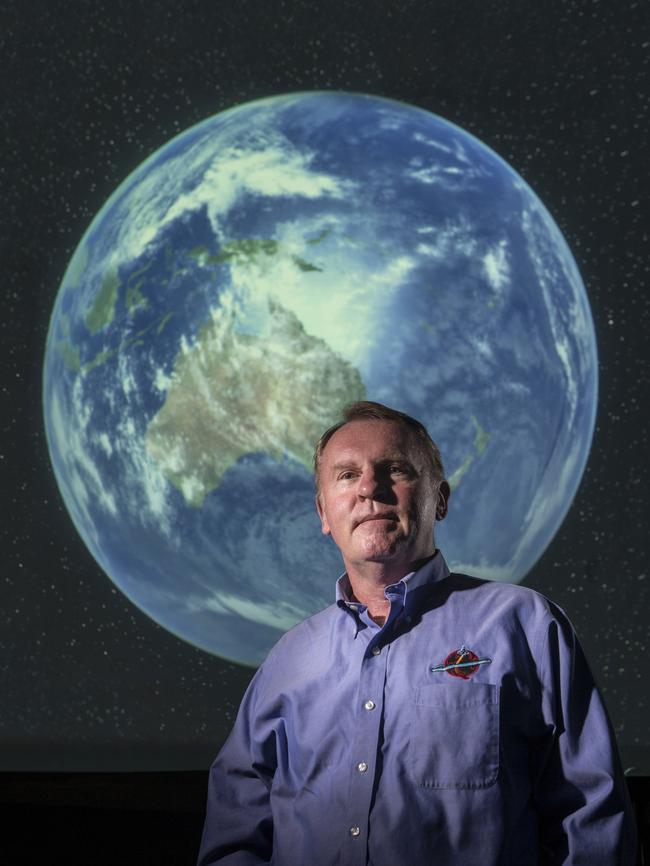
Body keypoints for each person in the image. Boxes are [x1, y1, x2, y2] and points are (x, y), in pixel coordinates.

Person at [197, 401, 636, 865]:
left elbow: (593, 820)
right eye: (347, 475)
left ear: (439, 499)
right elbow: (236, 833)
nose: (370, 488)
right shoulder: (286, 661)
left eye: (396, 469)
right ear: (324, 514)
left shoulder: (525, 625)